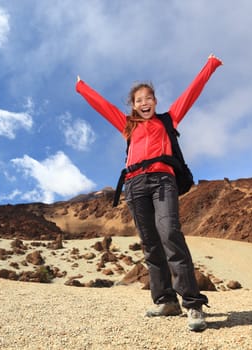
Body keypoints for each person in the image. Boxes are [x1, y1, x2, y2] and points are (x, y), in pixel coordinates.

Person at [76, 54, 223, 332]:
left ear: (155, 101)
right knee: (150, 243)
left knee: (170, 234)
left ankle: (192, 304)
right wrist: (82, 87)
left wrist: (210, 65)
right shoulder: (127, 125)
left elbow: (191, 93)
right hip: (134, 185)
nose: (144, 103)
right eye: (138, 100)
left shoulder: (169, 119)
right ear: (133, 106)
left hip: (162, 182)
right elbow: (102, 105)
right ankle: (166, 301)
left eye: (149, 98)